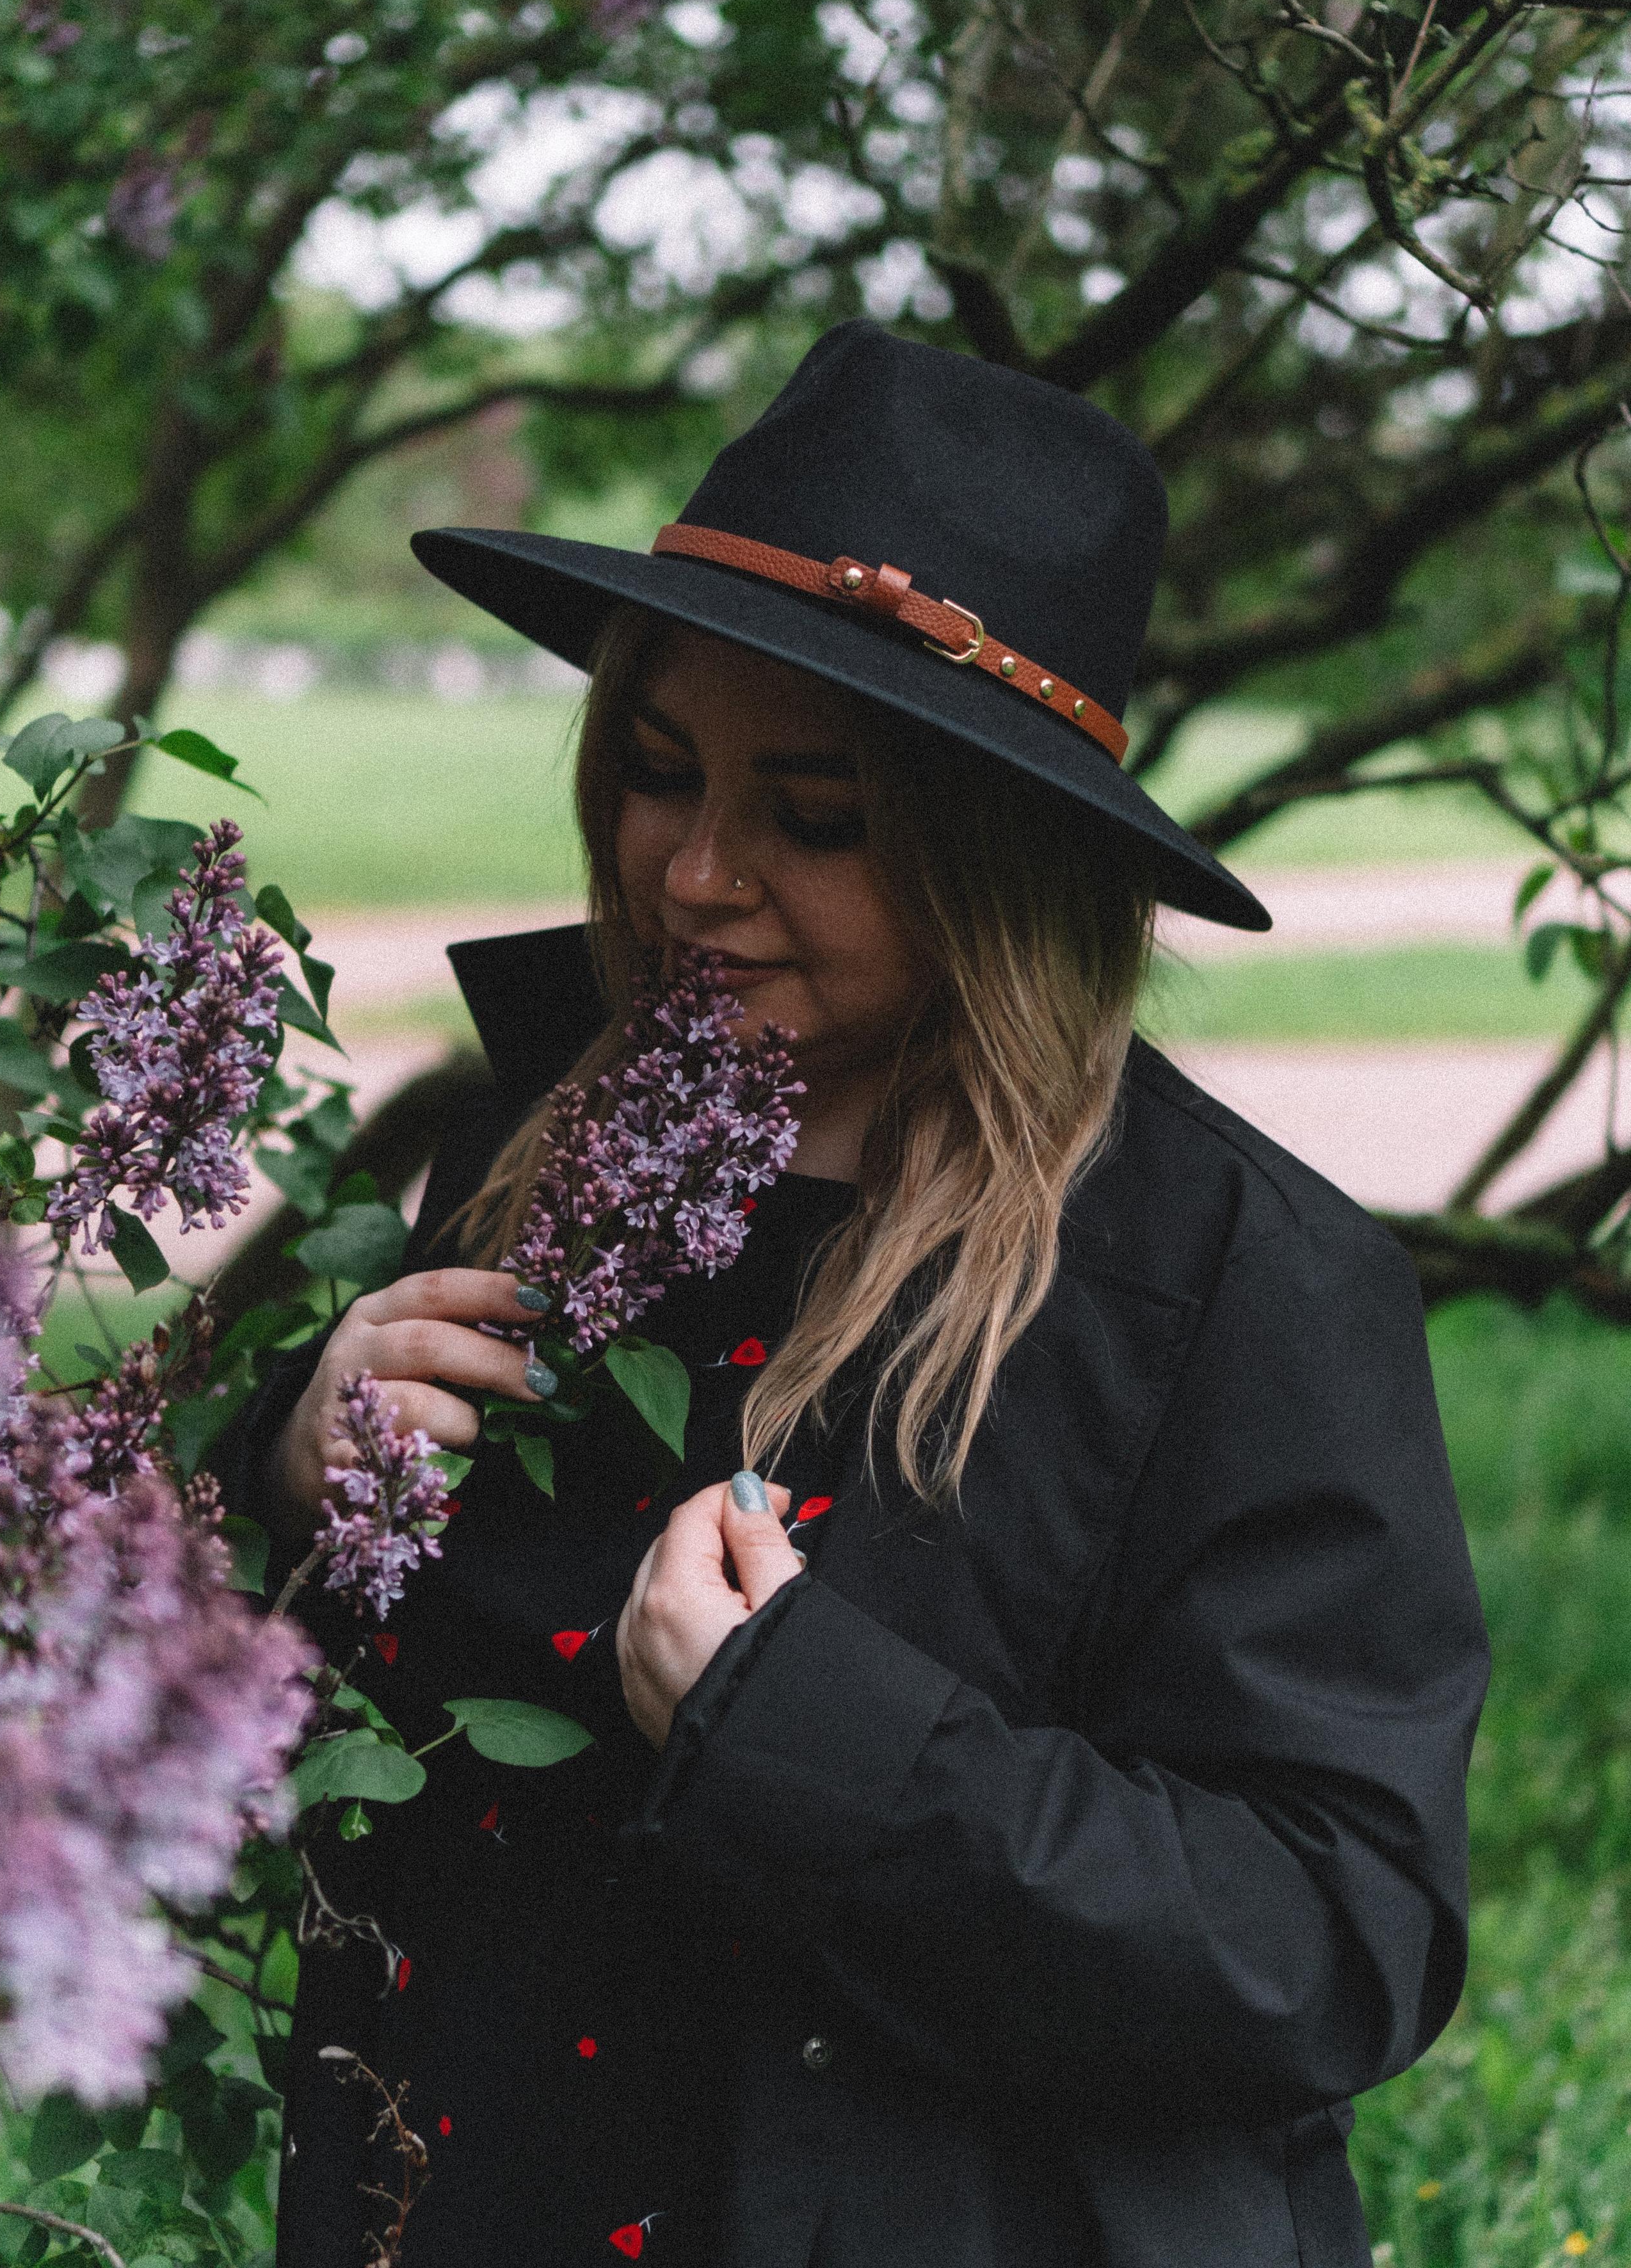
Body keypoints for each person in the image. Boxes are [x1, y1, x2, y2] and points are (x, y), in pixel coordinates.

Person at [216, 321, 1489, 2268]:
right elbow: (335, 1723)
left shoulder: (1237, 1286)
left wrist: (810, 1737)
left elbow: (1333, 1936)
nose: (695, 873)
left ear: (1004, 855)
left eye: (815, 816)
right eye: (659, 775)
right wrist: (292, 1473)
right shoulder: (540, 1149)